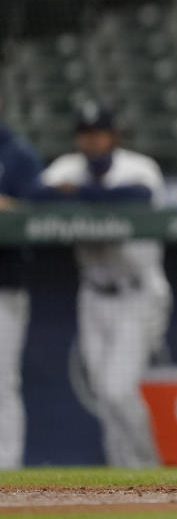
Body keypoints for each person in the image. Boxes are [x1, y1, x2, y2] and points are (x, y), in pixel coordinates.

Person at [32, 103, 171, 467]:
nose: (92, 142)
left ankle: (148, 468)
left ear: (114, 136)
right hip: (93, 294)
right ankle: (121, 481)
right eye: (86, 135)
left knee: (117, 389)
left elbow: (138, 197)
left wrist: (76, 194)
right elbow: (37, 196)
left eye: (99, 134)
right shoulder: (67, 166)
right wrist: (80, 192)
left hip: (137, 291)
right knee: (104, 394)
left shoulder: (140, 167)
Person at [0, 116, 44, 469]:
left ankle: (7, 471)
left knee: (2, 379)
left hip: (5, 285)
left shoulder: (18, 154)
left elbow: (38, 212)